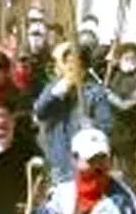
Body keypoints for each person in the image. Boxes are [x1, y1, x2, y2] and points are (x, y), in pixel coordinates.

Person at [33, 43, 113, 183]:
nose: (71, 68)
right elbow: (40, 112)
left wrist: (91, 127)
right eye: (67, 63)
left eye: (75, 64)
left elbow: (106, 125)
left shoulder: (95, 92)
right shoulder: (53, 88)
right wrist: (58, 93)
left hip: (85, 162)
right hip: (58, 159)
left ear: (84, 68)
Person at [105, 42, 136, 190]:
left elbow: (126, 105)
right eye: (126, 58)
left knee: (128, 172)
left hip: (128, 133)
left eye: (132, 58)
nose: (129, 61)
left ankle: (133, 197)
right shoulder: (114, 76)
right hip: (111, 131)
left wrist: (109, 96)